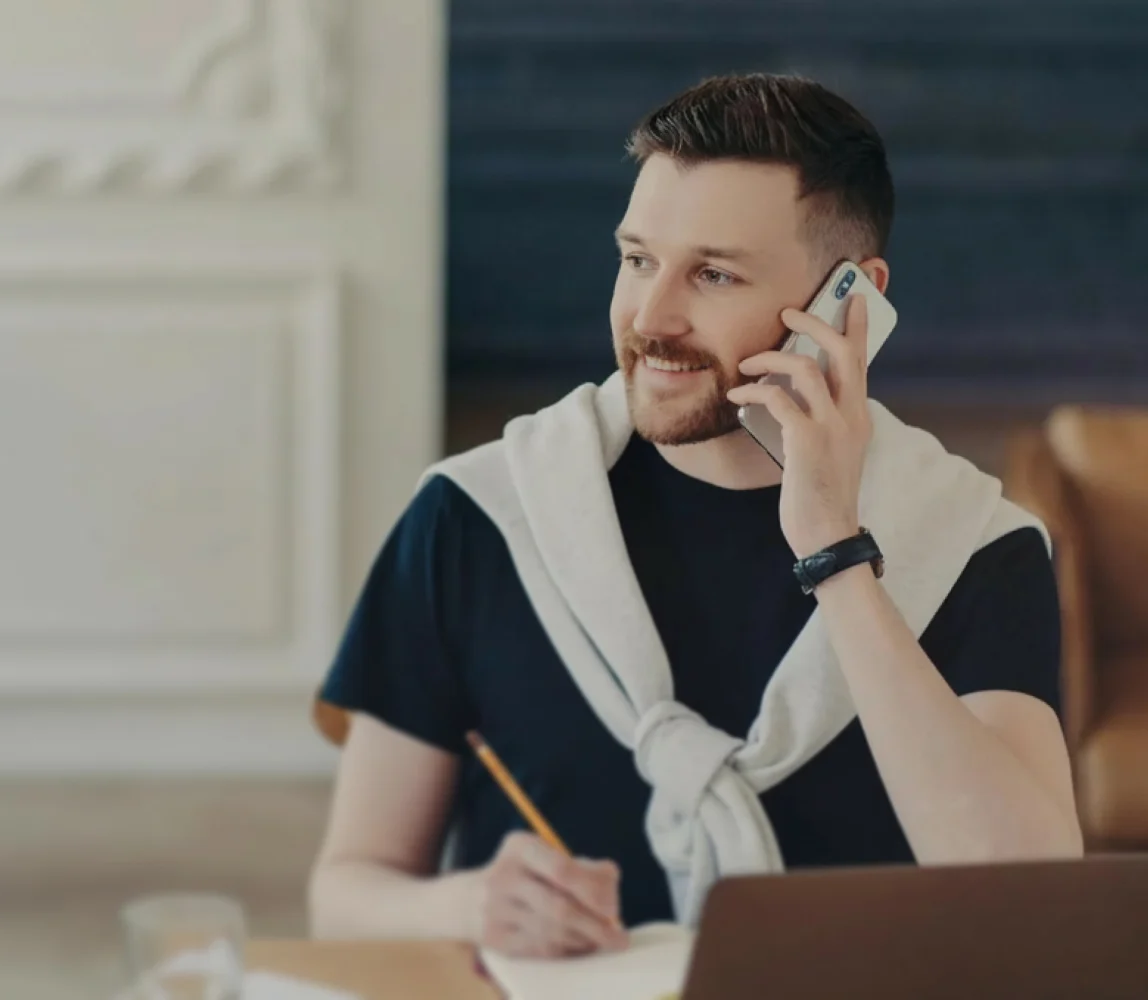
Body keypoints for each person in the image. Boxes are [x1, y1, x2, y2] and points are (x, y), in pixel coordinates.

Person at [306, 73, 1083, 959]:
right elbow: (347, 891)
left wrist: (836, 553)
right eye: (638, 259)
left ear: (851, 302)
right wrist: (468, 908)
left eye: (713, 273)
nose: (650, 316)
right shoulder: (479, 516)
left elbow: (1028, 903)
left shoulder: (973, 544)